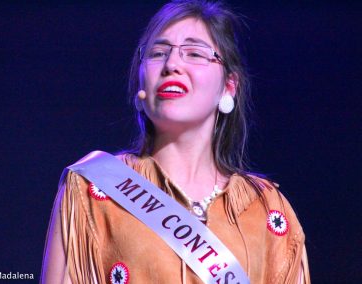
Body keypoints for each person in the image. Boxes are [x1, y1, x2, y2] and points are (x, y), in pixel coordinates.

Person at [41, 0, 310, 283]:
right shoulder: (93, 188)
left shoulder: (266, 208)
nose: (172, 64)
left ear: (229, 86)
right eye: (158, 53)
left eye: (194, 53)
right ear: (141, 85)